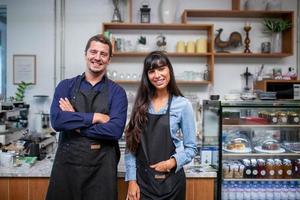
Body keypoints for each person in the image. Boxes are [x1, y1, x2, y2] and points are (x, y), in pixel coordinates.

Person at [46, 34, 128, 200]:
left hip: (102, 172)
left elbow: (114, 131)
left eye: (103, 54)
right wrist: (95, 117)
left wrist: (75, 123)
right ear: (86, 54)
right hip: (68, 169)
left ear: (109, 59)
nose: (97, 58)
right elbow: (57, 121)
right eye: (93, 52)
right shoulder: (65, 86)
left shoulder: (117, 92)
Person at [125, 51, 197, 200]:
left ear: (169, 69)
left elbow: (191, 149)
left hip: (172, 184)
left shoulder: (182, 105)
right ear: (147, 76)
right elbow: (131, 146)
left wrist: (171, 163)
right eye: (151, 71)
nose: (157, 75)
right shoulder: (140, 104)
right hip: (143, 184)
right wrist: (132, 181)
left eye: (161, 69)